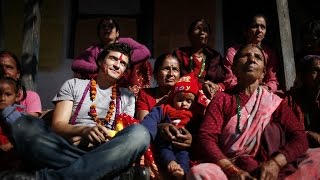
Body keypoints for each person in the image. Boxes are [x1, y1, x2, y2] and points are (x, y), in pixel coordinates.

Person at [0, 43, 150, 180]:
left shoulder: (127, 96)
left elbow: (121, 135)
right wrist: (83, 131)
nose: (117, 65)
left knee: (140, 133)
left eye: (123, 63)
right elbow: (58, 125)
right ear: (99, 61)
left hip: (105, 153)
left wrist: (104, 141)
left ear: (124, 71)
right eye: (113, 59)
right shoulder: (74, 85)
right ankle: (107, 175)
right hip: (66, 149)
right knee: (25, 125)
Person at [187, 44, 320, 180]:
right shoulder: (222, 99)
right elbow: (206, 137)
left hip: (270, 171)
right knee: (200, 172)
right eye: (245, 56)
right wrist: (232, 170)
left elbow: (299, 137)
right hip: (229, 168)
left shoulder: (275, 103)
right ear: (234, 69)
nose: (252, 59)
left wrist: (275, 164)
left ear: (263, 73)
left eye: (257, 57)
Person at [71, 17, 152, 95]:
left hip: (126, 84)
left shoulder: (126, 42)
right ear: (99, 33)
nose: (107, 29)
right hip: (101, 84)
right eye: (103, 27)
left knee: (143, 63)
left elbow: (145, 52)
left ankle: (135, 96)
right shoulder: (94, 50)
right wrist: (99, 67)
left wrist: (124, 62)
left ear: (117, 33)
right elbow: (76, 64)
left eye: (110, 26)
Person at [142, 73, 201, 179]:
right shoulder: (165, 108)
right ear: (172, 98)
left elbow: (200, 131)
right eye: (180, 100)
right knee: (164, 150)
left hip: (184, 144)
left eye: (189, 101)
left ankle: (181, 171)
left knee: (184, 155)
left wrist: (193, 139)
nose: (184, 104)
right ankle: (171, 162)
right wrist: (146, 133)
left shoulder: (195, 114)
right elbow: (151, 119)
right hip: (165, 141)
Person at [223, 14, 279, 93]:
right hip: (238, 93)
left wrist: (260, 91)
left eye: (263, 27)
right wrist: (247, 91)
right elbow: (229, 80)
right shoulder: (233, 52)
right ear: (245, 31)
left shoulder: (269, 53)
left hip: (262, 94)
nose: (259, 30)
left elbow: (272, 81)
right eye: (255, 26)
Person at [174, 19, 225, 100]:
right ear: (189, 34)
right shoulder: (179, 54)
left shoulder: (215, 56)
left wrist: (216, 87)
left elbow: (222, 81)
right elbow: (176, 78)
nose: (202, 32)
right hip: (185, 98)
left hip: (210, 97)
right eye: (198, 28)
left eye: (205, 30)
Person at [286, 55, 320, 147]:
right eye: (314, 71)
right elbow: (284, 130)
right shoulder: (289, 100)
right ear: (302, 75)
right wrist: (307, 134)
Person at [0, 50, 42, 117]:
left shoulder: (30, 97)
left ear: (18, 74)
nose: (4, 71)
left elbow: (29, 124)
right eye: (0, 67)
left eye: (9, 67)